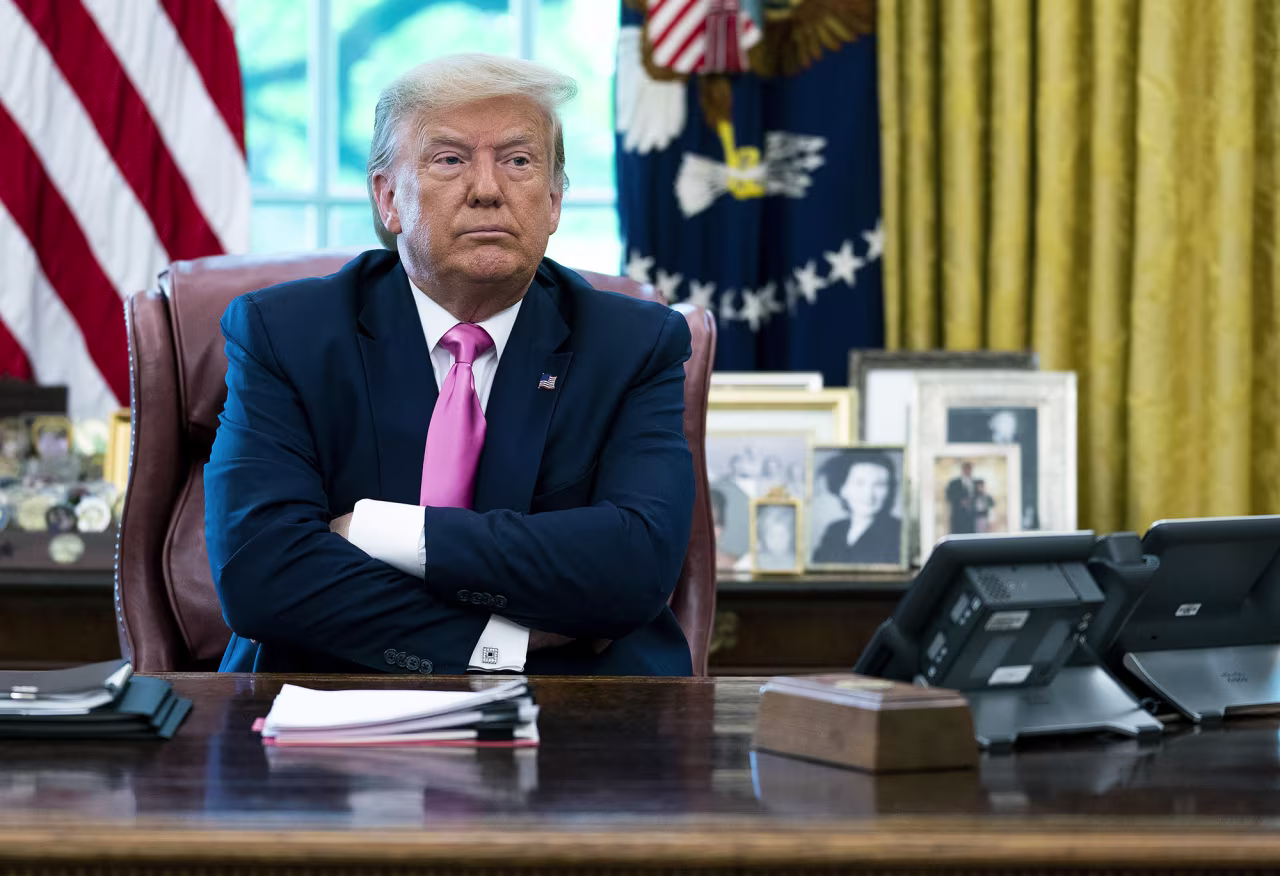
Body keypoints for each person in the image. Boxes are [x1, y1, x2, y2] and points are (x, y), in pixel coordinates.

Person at [205, 54, 695, 677]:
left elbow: (637, 565)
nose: (488, 189)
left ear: (552, 201)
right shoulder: (287, 334)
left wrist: (384, 531)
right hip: (328, 690)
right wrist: (498, 646)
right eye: (450, 160)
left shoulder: (633, 344)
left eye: (518, 161)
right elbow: (262, 574)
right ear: (388, 198)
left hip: (577, 709)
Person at [811, 452, 902, 565]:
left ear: (890, 490)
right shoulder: (835, 530)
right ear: (842, 489)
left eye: (879, 485)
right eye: (859, 483)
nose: (869, 494)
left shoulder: (898, 531)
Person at [754, 504, 798, 572]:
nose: (777, 541)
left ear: (791, 536)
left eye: (781, 536)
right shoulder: (757, 562)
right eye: (772, 536)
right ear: (764, 538)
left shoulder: (797, 562)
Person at [945, 461, 976, 535]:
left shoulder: (974, 482)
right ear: (963, 470)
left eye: (969, 469)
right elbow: (949, 496)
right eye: (966, 469)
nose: (968, 471)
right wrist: (960, 501)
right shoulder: (954, 483)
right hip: (958, 517)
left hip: (971, 518)